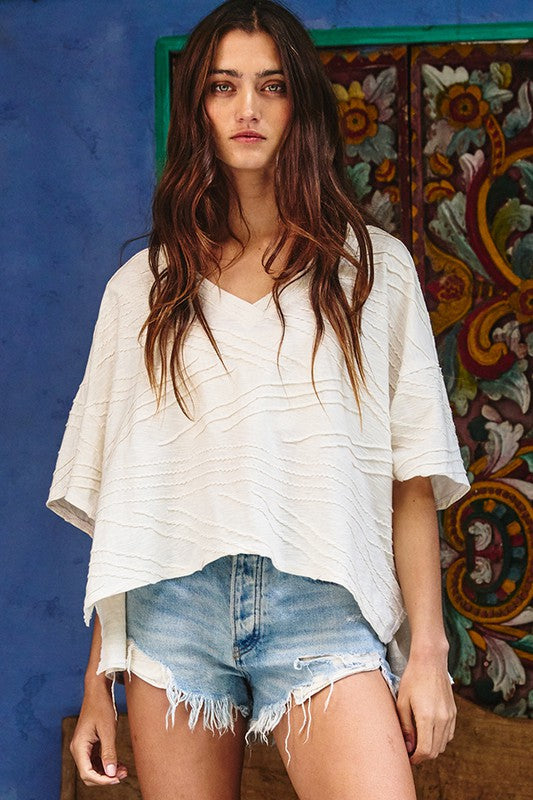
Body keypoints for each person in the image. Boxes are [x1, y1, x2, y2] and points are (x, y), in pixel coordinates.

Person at [46, 1, 471, 798]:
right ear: (197, 108)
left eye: (271, 86)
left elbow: (411, 479)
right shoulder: (143, 289)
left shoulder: (372, 273)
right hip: (172, 614)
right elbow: (128, 504)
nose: (247, 108)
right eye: (223, 86)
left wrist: (427, 655)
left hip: (322, 604)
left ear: (300, 104)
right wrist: (97, 680)